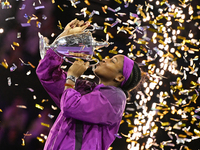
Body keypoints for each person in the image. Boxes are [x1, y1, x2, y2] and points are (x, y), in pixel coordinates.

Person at [36, 19, 142, 150]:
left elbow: (70, 107)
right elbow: (47, 74)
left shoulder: (116, 99)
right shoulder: (87, 89)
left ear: (119, 77)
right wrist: (64, 37)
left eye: (112, 61)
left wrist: (72, 77)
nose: (104, 59)